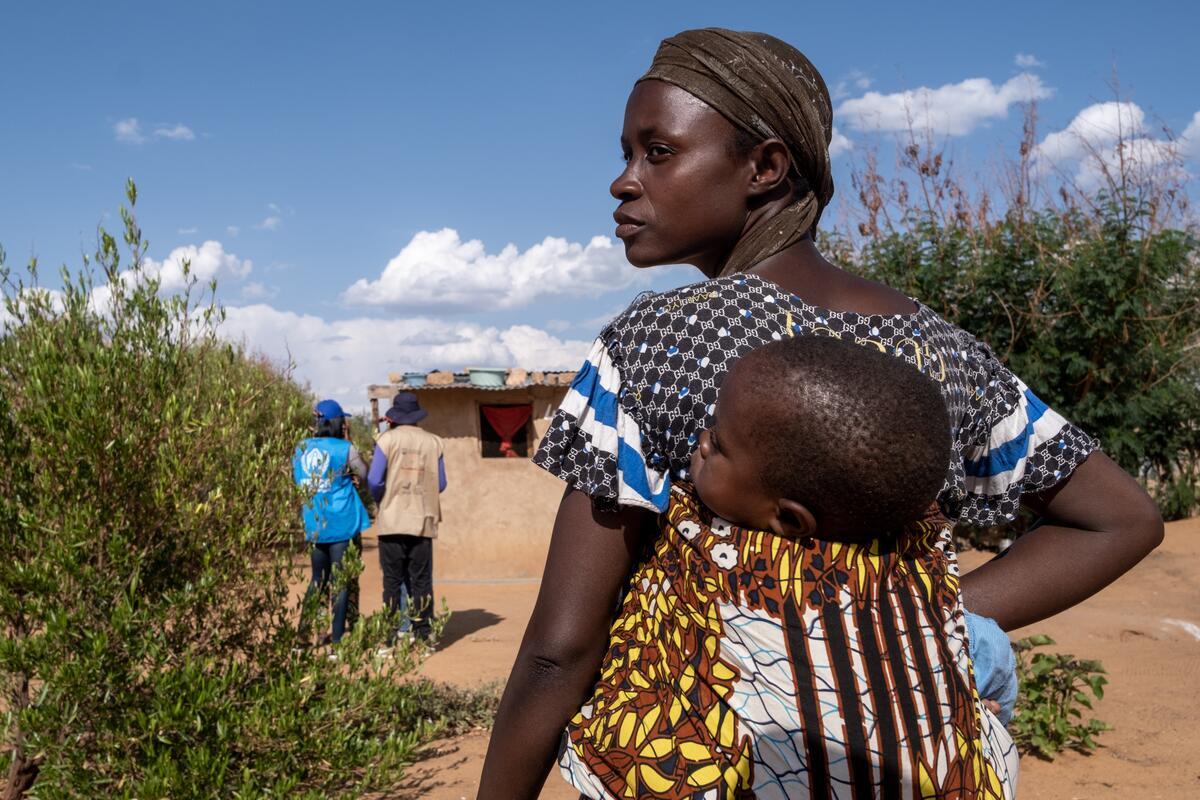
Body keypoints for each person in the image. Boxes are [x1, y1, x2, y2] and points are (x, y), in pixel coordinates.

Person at [479, 28, 1163, 799]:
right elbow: (1120, 518)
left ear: (765, 167)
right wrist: (920, 621)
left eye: (657, 152)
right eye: (627, 154)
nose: (623, 181)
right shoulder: (943, 349)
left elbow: (560, 651)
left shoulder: (659, 343)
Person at [560, 335, 1013, 798]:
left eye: (718, 444)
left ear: (790, 520)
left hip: (725, 777)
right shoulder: (922, 546)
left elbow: (562, 647)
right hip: (941, 781)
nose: (701, 441)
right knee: (987, 644)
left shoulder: (696, 538)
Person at [368, 392, 447, 643]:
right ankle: (423, 635)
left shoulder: (386, 440)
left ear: (395, 416)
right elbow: (441, 483)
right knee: (422, 580)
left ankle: (391, 637)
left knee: (392, 581)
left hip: (392, 520)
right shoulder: (434, 442)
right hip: (422, 519)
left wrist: (382, 498)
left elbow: (374, 480)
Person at [292, 398, 371, 646]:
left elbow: (299, 479)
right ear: (338, 423)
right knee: (340, 582)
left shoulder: (301, 448)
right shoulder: (344, 448)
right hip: (342, 522)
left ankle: (302, 639)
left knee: (318, 580)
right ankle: (337, 641)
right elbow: (365, 474)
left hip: (315, 522)